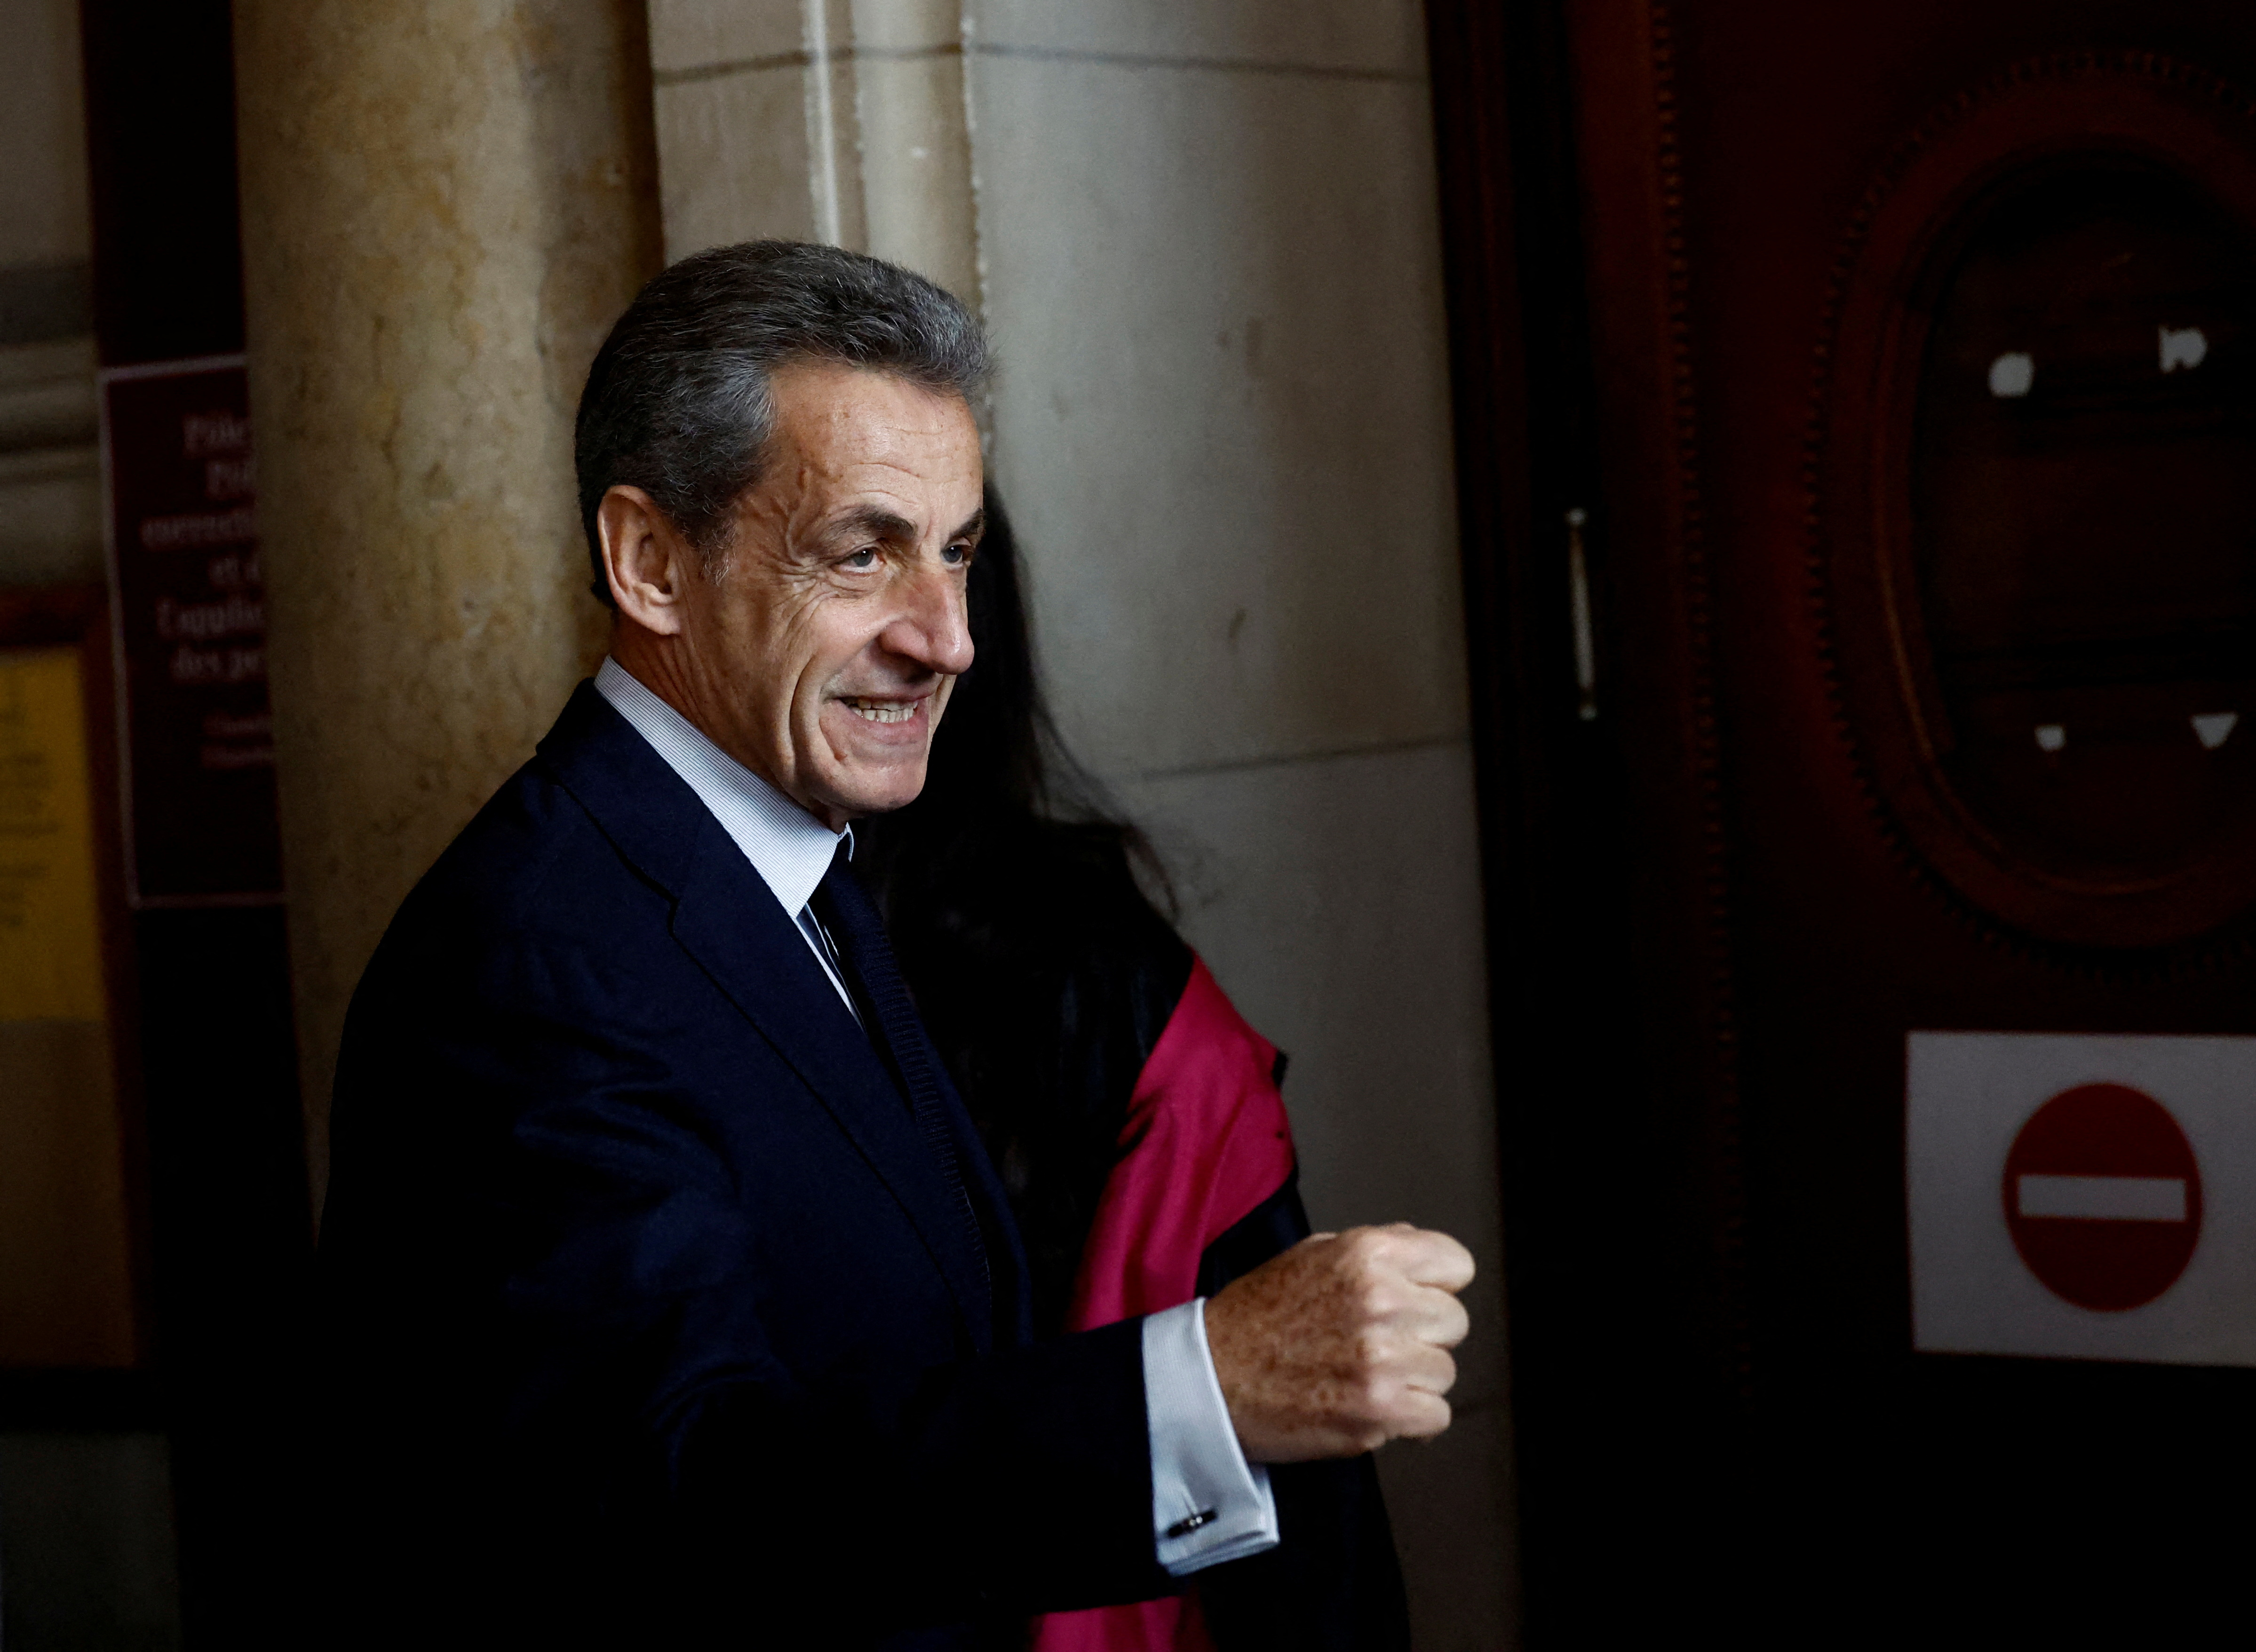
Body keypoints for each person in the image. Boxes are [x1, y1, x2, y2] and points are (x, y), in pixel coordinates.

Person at [311, 241, 1473, 1650]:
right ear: (649, 562)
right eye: (861, 552)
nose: (949, 639)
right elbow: (690, 1505)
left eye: (957, 552)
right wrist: (1201, 1390)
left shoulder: (796, 860)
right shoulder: (534, 960)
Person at [859, 492, 1409, 1652]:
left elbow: (1299, 1514)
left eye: (947, 556)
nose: (924, 632)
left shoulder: (1111, 995)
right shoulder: (665, 956)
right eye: (853, 557)